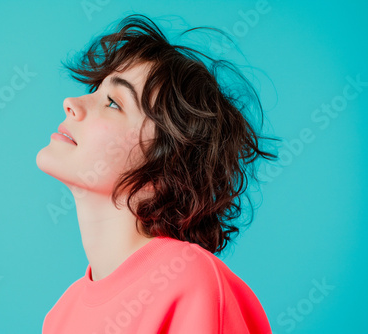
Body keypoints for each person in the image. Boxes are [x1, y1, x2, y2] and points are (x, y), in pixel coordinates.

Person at [36, 13, 279, 334]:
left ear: (167, 168)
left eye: (112, 103)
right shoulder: (60, 317)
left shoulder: (191, 282)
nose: (71, 102)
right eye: (95, 89)